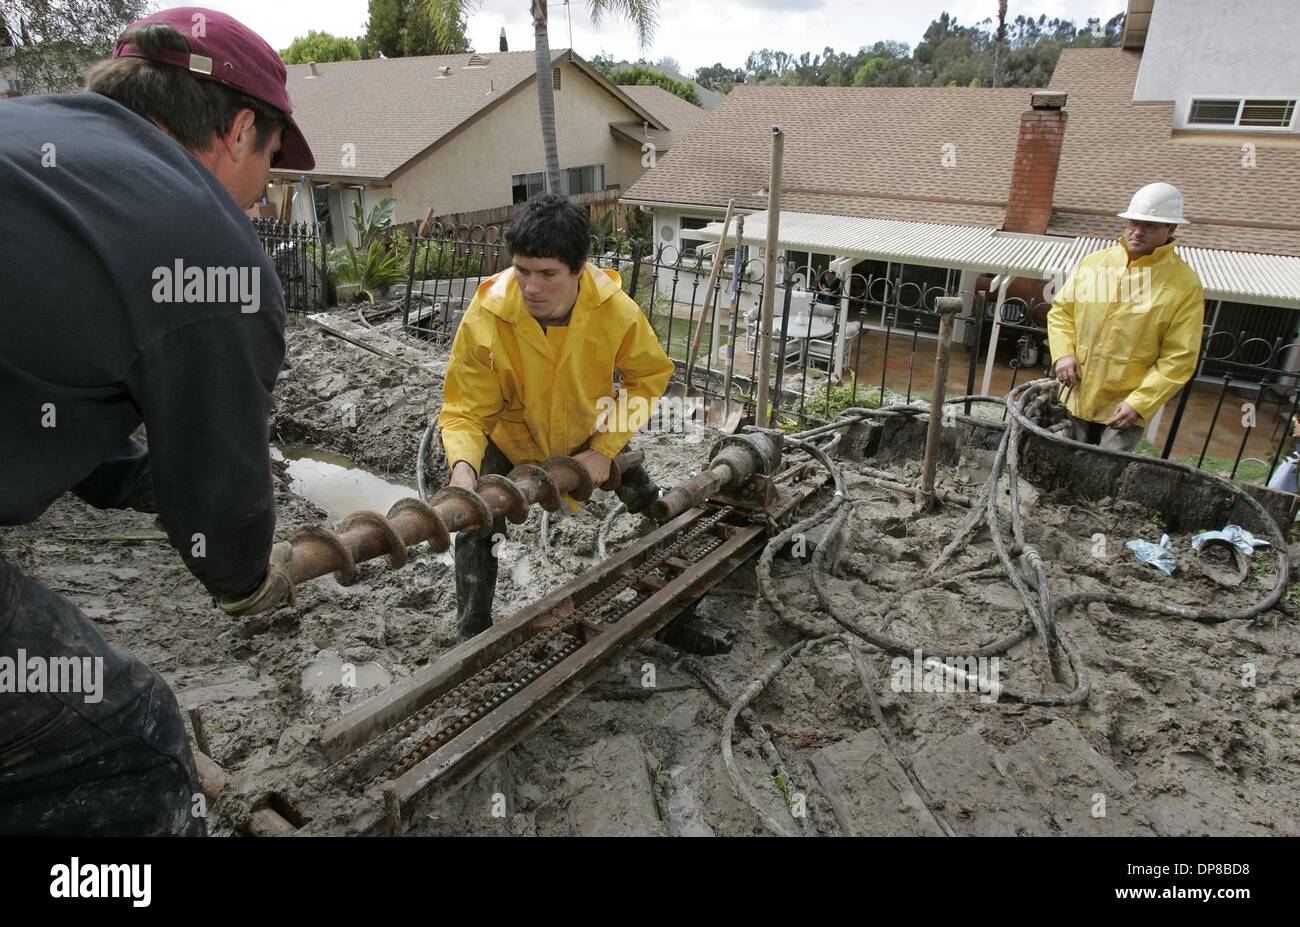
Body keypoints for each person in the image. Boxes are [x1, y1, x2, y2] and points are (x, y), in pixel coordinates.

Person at [0, 7, 312, 835]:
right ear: (239, 131)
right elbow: (221, 492)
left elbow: (37, 391)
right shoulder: (208, 246)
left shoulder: (34, 144)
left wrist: (143, 475)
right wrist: (247, 578)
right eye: (272, 159)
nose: (264, 190)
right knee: (131, 737)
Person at [439, 194, 674, 639]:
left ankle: (675, 600)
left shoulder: (616, 311)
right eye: (522, 270)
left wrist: (605, 449)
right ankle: (472, 635)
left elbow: (649, 378)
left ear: (579, 267)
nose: (531, 287)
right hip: (510, 434)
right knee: (474, 523)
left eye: (548, 274)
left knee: (644, 493)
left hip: (589, 425)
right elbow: (467, 409)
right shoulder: (485, 315)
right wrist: (463, 469)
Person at [1047, 182, 1205, 452]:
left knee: (1102, 478)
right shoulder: (1095, 264)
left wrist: (1140, 402)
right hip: (1076, 393)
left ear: (1171, 229)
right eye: (1134, 222)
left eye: (1150, 226)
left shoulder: (1183, 284)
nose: (1138, 231)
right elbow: (1062, 312)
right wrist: (1063, 354)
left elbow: (1179, 357)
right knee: (1060, 468)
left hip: (1123, 410)